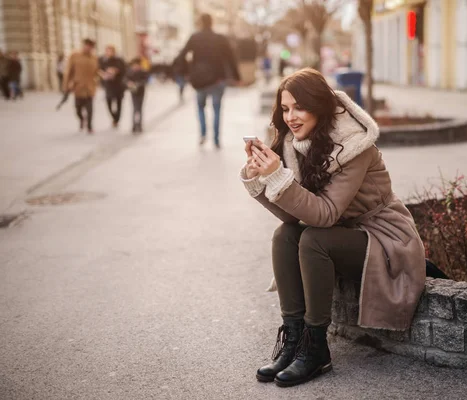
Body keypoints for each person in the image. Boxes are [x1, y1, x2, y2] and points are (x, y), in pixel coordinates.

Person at [240, 68, 427, 387]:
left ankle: (316, 348)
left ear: (320, 106)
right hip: (340, 232)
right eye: (285, 109)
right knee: (286, 236)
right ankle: (294, 339)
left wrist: (278, 178)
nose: (291, 117)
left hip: (383, 237)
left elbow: (324, 215)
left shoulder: (353, 146)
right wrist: (261, 176)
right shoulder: (295, 143)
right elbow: (292, 217)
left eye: (299, 107)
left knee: (314, 239)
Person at [177, 13, 241, 149]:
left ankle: (203, 134)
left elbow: (182, 55)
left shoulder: (194, 38)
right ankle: (216, 140)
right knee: (217, 109)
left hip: (200, 80)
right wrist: (237, 76)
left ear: (200, 22)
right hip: (218, 80)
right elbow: (231, 58)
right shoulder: (220, 38)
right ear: (212, 23)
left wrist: (186, 72)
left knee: (200, 107)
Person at [63, 38, 99, 134]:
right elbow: (68, 71)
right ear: (84, 45)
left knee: (90, 109)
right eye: (87, 45)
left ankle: (90, 126)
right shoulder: (75, 55)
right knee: (78, 109)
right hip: (78, 87)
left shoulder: (94, 58)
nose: (88, 48)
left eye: (90, 46)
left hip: (90, 87)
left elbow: (97, 71)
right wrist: (66, 86)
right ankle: (82, 119)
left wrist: (100, 77)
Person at [99, 45, 127, 128]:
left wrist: (115, 71)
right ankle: (114, 117)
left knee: (119, 103)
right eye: (107, 51)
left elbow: (124, 70)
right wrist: (103, 74)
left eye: (110, 51)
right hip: (108, 85)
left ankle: (117, 119)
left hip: (118, 85)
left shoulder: (119, 60)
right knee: (108, 101)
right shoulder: (103, 60)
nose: (109, 53)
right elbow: (99, 69)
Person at [125, 58, 149, 134]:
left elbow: (145, 80)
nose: (135, 67)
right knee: (135, 109)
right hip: (133, 92)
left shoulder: (143, 72)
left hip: (141, 92)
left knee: (139, 109)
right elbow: (125, 79)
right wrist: (129, 83)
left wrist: (138, 84)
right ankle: (134, 125)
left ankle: (139, 124)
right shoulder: (130, 72)